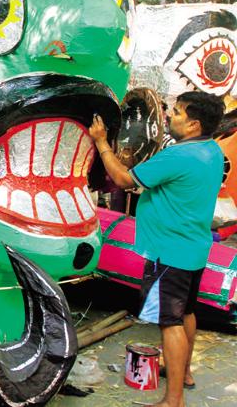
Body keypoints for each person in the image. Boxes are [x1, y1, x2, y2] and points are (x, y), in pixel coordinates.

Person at [89, 91, 225, 407]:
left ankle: (173, 399)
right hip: (193, 248)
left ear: (193, 124)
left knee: (170, 322)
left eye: (176, 113)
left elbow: (123, 179)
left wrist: (101, 142)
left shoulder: (177, 157)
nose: (168, 116)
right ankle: (184, 372)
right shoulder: (211, 150)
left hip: (170, 252)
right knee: (186, 311)